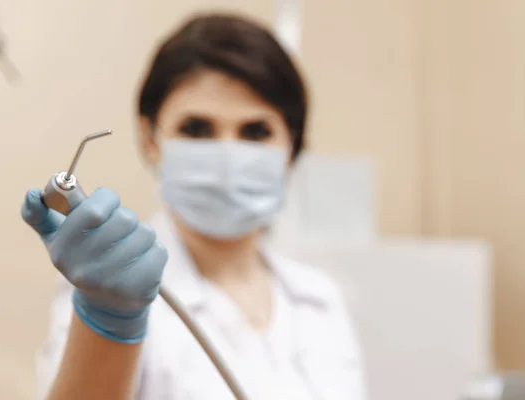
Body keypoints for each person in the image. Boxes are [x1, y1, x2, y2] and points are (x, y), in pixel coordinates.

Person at [22, 12, 367, 400]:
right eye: (196, 128)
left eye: (256, 131)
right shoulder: (111, 293)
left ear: (292, 147)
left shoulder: (320, 300)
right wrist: (108, 320)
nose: (227, 155)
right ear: (150, 137)